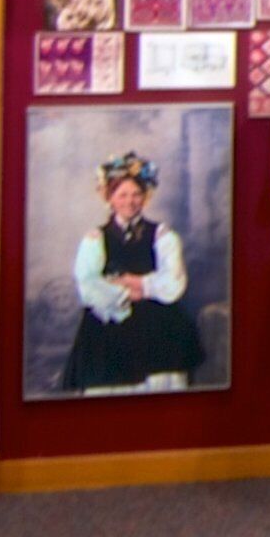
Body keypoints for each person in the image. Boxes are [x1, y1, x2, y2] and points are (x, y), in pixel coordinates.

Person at [62, 153, 204, 392]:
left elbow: (174, 282)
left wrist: (135, 282)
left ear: (145, 197)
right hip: (110, 327)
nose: (130, 202)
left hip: (158, 328)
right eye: (123, 195)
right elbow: (87, 285)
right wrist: (124, 296)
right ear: (110, 198)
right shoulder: (95, 239)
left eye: (136, 194)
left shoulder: (162, 235)